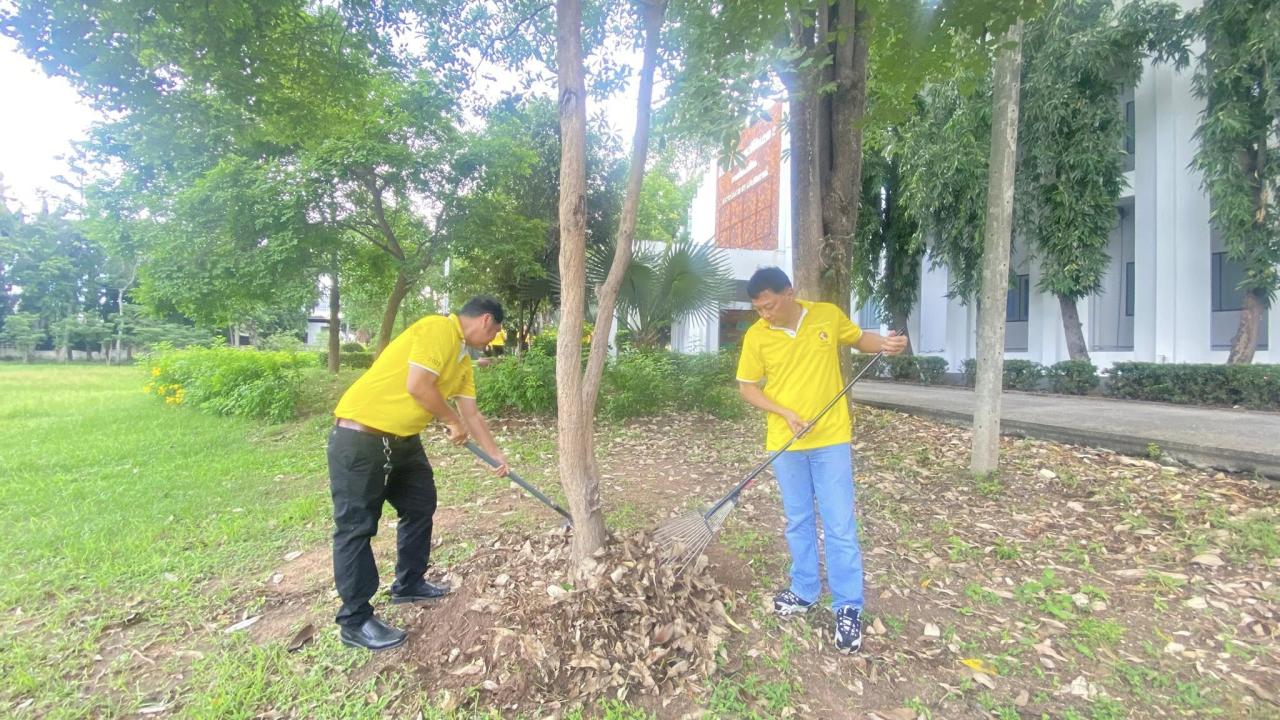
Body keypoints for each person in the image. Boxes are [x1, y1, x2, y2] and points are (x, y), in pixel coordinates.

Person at [735, 267, 907, 654]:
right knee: (798, 519)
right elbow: (747, 388)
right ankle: (805, 589)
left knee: (840, 523)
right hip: (785, 441)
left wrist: (886, 343)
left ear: (790, 293)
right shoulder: (757, 336)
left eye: (769, 306)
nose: (764, 314)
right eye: (758, 309)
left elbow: (859, 338)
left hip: (831, 440)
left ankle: (847, 607)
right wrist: (783, 412)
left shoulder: (827, 315)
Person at [328, 296, 511, 651]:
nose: (493, 341)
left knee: (420, 504)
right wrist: (449, 420)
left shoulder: (462, 360)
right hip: (361, 436)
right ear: (486, 320)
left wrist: (495, 456)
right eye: (496, 332)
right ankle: (354, 621)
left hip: (403, 441)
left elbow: (471, 414)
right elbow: (418, 385)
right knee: (356, 527)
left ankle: (409, 584)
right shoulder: (438, 328)